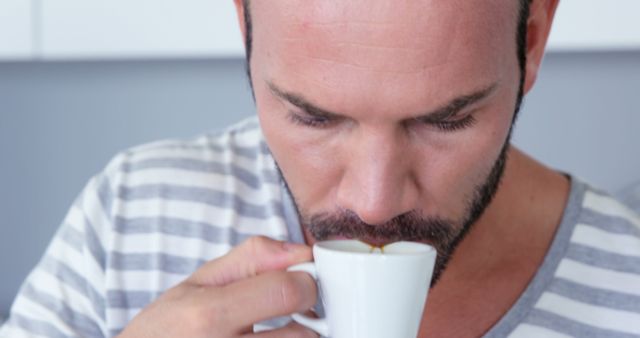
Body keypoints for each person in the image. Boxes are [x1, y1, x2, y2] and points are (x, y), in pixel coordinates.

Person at [2, 0, 639, 337]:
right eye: (314, 117)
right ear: (243, 26)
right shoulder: (127, 218)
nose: (374, 203)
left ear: (531, 40)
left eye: (445, 121)